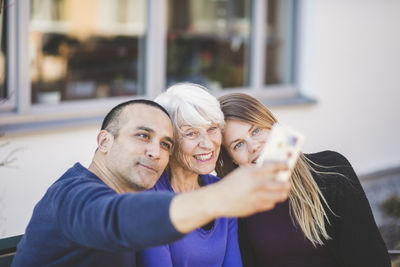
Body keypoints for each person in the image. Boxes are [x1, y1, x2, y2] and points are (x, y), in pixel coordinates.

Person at [12, 99, 291, 267]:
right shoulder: (70, 195)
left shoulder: (130, 195)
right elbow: (114, 217)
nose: (155, 152)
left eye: (165, 144)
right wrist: (218, 198)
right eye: (142, 136)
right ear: (105, 141)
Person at [216, 93, 391, 267]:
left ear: (272, 126)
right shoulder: (238, 207)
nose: (253, 146)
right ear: (232, 159)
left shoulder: (332, 171)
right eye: (238, 144)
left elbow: (371, 257)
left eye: (256, 130)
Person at [138, 83, 243, 267]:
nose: (207, 144)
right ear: (168, 142)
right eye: (191, 133)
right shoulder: (150, 201)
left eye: (212, 129)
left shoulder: (224, 192)